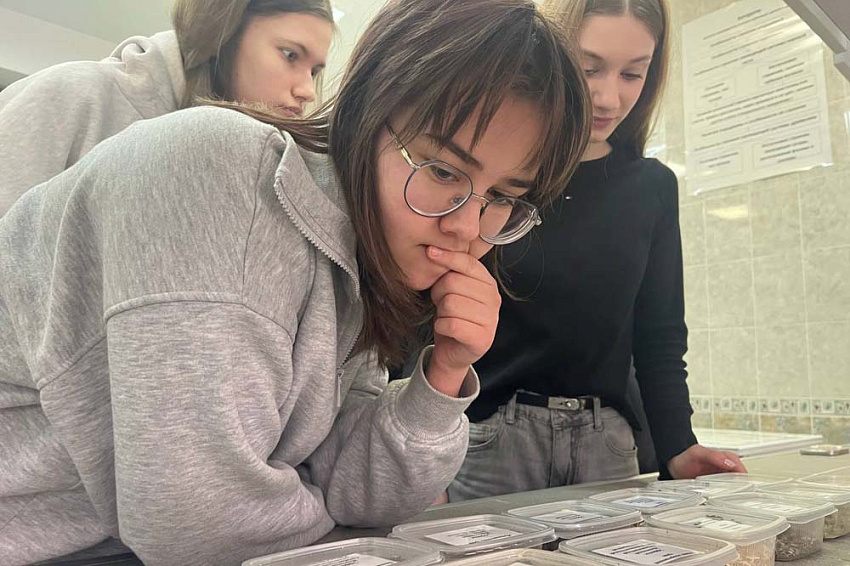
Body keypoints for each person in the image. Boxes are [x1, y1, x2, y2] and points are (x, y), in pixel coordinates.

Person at [0, 0, 591, 564]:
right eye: (442, 170)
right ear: (367, 110)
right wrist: (337, 528)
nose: (466, 227)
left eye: (503, 197)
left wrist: (443, 375)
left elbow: (357, 490)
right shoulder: (221, 174)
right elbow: (199, 527)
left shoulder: (356, 255)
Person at [447, 0, 746, 502]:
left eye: (633, 74)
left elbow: (659, 334)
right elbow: (428, 306)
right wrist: (421, 454)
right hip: (490, 441)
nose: (609, 98)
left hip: (607, 445)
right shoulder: (501, 174)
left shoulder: (651, 187)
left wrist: (678, 445)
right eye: (590, 69)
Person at [0, 0, 335, 217]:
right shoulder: (75, 93)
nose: (307, 91)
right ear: (223, 33)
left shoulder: (257, 172)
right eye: (290, 55)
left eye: (314, 72)